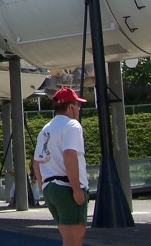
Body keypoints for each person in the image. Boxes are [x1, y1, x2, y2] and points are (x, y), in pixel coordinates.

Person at [32, 87, 89, 246]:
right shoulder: (72, 125)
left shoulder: (46, 129)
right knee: (74, 239)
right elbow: (69, 155)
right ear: (71, 107)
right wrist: (77, 189)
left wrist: (43, 186)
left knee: (67, 238)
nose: (79, 109)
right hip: (66, 187)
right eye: (78, 105)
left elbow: (36, 162)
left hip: (51, 188)